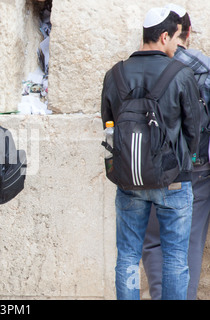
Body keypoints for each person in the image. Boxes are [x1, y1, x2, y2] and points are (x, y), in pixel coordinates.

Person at [101, 8, 201, 299]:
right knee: (174, 258)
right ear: (164, 36)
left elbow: (108, 123)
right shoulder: (181, 74)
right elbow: (195, 128)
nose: (177, 45)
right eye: (176, 38)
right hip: (174, 179)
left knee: (128, 256)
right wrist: (187, 161)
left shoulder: (114, 74)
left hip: (128, 179)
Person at [142, 3, 210, 300]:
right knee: (190, 240)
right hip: (196, 167)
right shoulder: (203, 66)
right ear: (188, 32)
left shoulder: (140, 66)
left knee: (154, 240)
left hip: (153, 166)